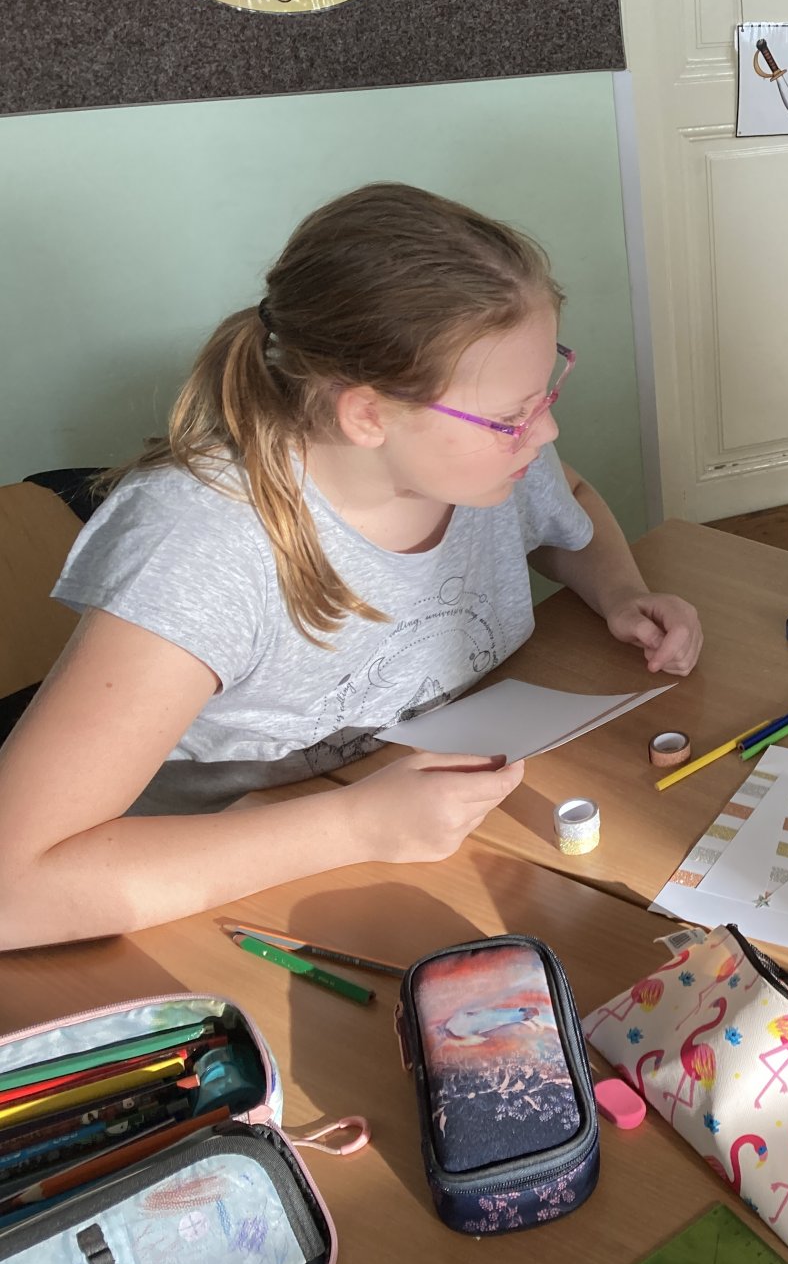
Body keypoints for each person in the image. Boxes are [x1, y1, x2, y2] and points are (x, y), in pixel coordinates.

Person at [0, 183, 701, 948]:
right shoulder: (200, 547)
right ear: (366, 414)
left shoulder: (494, 461)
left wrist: (619, 590)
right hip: (215, 881)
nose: (546, 432)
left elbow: (569, 502)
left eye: (544, 395)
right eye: (511, 417)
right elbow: (14, 891)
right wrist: (354, 825)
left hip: (407, 812)